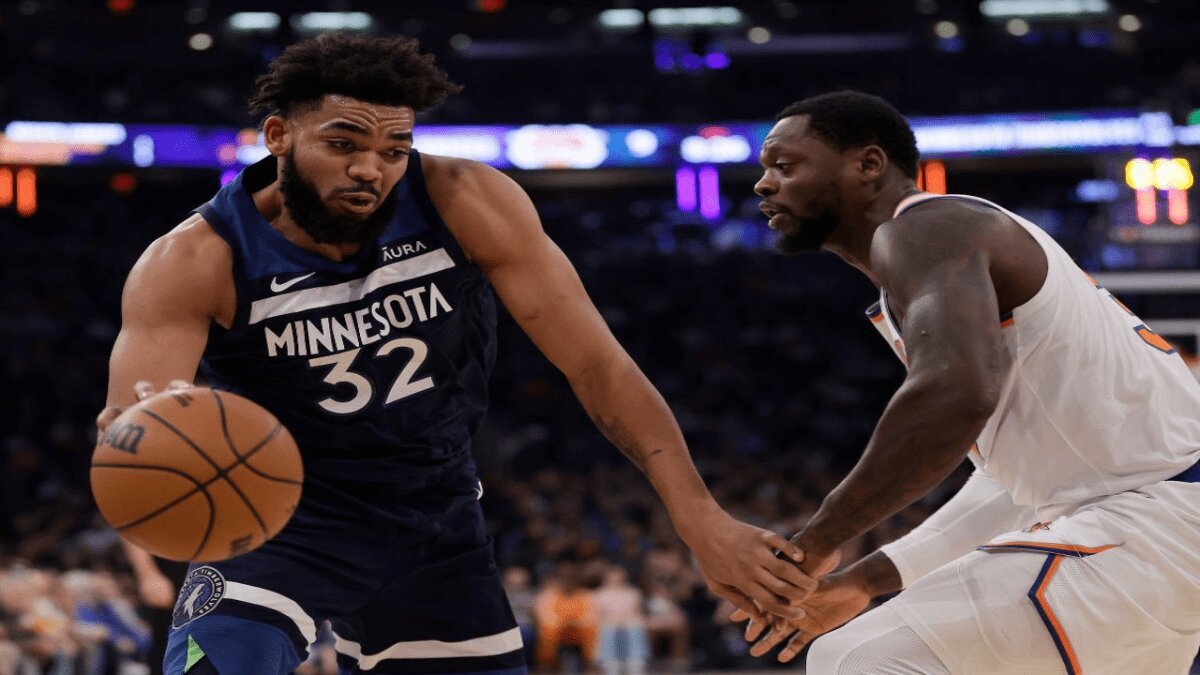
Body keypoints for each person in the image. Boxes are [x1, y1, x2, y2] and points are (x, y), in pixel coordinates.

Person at [94, 33, 811, 675]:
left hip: (432, 519)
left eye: (393, 150)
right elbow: (134, 428)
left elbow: (597, 364)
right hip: (276, 518)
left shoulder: (464, 199)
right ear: (279, 135)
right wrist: (139, 437)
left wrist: (698, 517)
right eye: (343, 145)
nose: (370, 169)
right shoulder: (193, 260)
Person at [739, 91, 1200, 673]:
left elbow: (952, 400)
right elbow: (1013, 489)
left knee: (855, 658)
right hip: (1159, 534)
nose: (764, 184)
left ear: (869, 164)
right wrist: (865, 579)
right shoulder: (947, 254)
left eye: (785, 165)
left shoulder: (927, 229)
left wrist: (819, 540)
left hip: (1151, 529)